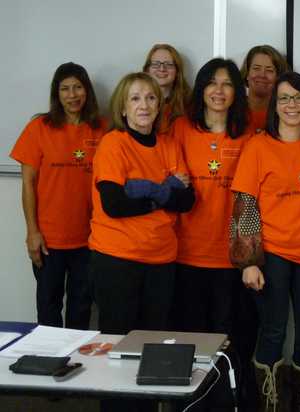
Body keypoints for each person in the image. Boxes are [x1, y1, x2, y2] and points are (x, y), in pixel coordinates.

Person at [230, 72, 300, 411]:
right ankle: (271, 403)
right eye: (284, 98)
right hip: (272, 255)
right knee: (273, 333)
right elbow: (245, 206)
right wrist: (248, 262)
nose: (292, 105)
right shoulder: (258, 146)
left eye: (299, 98)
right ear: (274, 105)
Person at [89, 72, 194, 336]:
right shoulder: (113, 144)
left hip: (162, 259)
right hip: (117, 258)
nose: (144, 105)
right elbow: (114, 205)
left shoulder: (169, 145)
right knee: (118, 340)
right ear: (123, 108)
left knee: (154, 341)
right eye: (135, 99)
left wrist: (142, 191)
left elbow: (187, 201)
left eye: (150, 98)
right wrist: (165, 190)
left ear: (159, 105)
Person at [10, 62, 104, 329]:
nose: (72, 95)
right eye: (65, 89)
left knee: (82, 308)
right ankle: (46, 361)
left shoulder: (102, 128)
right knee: (48, 308)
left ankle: (75, 365)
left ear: (87, 91)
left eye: (77, 87)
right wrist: (32, 232)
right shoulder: (39, 127)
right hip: (48, 238)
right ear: (56, 93)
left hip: (90, 239)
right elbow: (28, 183)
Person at [173, 58, 249, 335]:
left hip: (231, 255)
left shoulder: (248, 135)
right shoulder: (180, 129)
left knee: (226, 333)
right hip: (186, 252)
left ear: (237, 92)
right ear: (201, 89)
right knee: (191, 333)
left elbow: (250, 199)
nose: (219, 90)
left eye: (227, 84)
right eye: (212, 83)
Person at [240, 45, 289, 133]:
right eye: (256, 68)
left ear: (278, 77)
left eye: (269, 70)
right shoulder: (232, 110)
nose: (262, 75)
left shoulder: (287, 114)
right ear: (247, 73)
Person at [142, 43, 191, 133]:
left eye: (168, 64)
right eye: (156, 64)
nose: (162, 69)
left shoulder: (190, 104)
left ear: (177, 71)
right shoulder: (136, 104)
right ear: (147, 70)